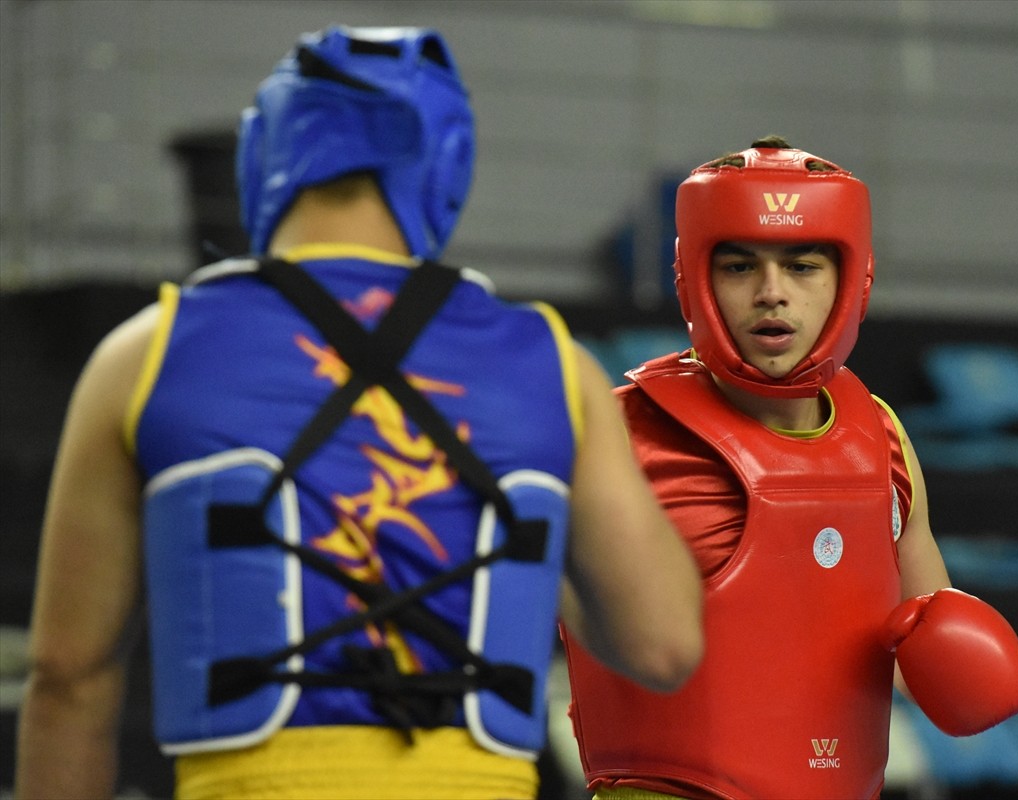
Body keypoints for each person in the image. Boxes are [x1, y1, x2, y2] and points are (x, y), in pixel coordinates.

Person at [15, 25, 702, 800]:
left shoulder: (144, 356)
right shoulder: (553, 364)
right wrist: (540, 556)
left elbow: (69, 678)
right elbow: (663, 643)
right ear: (444, 165)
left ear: (265, 158)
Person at [561, 136, 1018, 800]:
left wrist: (958, 660)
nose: (771, 294)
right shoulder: (619, 437)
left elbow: (917, 640)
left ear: (852, 278)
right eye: (739, 266)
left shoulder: (883, 437)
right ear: (693, 276)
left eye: (803, 266)